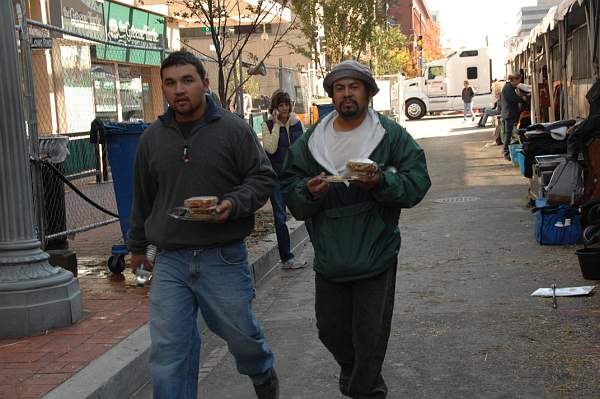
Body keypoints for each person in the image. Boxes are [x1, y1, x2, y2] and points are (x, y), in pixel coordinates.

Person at [127, 51, 279, 399]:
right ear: (163, 88)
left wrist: (232, 203)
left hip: (222, 256)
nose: (179, 90)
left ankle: (262, 372)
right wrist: (137, 247)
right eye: (170, 83)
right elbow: (143, 198)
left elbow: (261, 178)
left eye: (187, 80)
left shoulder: (233, 129)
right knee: (168, 351)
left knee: (243, 337)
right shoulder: (152, 138)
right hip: (171, 260)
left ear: (204, 84)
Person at [281, 60, 431, 398]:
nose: (346, 94)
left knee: (370, 333)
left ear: (368, 92)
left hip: (375, 249)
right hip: (331, 253)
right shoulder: (312, 141)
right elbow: (290, 184)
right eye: (339, 88)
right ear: (332, 96)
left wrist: (381, 180)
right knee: (329, 330)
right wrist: (309, 190)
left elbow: (417, 180)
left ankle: (366, 389)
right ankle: (354, 372)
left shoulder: (388, 135)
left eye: (354, 87)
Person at [261, 90, 306, 269]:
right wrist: (277, 126)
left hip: (295, 176)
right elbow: (270, 149)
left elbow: (302, 148)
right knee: (280, 217)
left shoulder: (297, 124)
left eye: (287, 104)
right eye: (281, 105)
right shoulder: (267, 125)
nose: (285, 108)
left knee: (306, 213)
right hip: (276, 178)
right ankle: (287, 258)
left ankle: (321, 251)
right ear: (275, 108)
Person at [501, 72, 528, 160]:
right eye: (518, 81)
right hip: (509, 113)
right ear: (515, 80)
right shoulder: (508, 88)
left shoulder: (509, 87)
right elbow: (512, 98)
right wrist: (521, 98)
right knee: (508, 133)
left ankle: (506, 151)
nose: (518, 83)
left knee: (508, 133)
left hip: (508, 113)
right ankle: (506, 153)